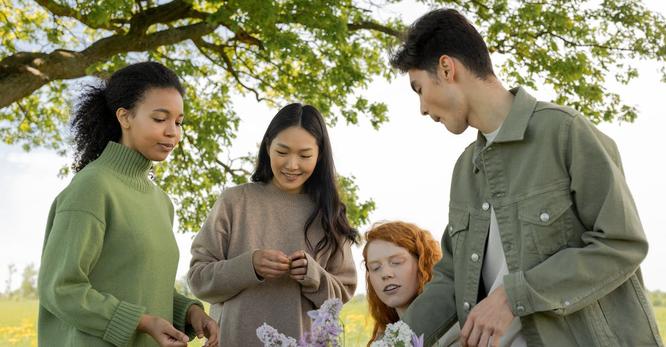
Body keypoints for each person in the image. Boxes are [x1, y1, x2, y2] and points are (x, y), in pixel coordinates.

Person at [389, 8, 663, 347]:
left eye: (419, 89)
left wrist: (512, 296)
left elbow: (622, 243)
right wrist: (391, 343)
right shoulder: (464, 171)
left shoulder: (565, 133)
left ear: (447, 69)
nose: (422, 109)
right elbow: (450, 277)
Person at [37, 62, 219, 347]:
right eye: (160, 119)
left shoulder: (161, 202)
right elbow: (59, 288)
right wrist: (141, 322)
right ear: (125, 117)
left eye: (179, 122)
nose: (173, 132)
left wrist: (190, 311)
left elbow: (143, 284)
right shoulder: (92, 187)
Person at [188, 103, 358, 347]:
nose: (291, 165)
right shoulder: (235, 201)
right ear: (268, 147)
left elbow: (341, 297)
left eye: (304, 155)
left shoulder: (330, 213)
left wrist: (313, 276)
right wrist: (250, 266)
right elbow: (198, 279)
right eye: (282, 152)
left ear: (319, 155)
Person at [363, 221, 460, 347]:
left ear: (422, 263)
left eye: (396, 262)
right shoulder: (382, 340)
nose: (385, 274)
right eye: (375, 268)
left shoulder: (456, 333)